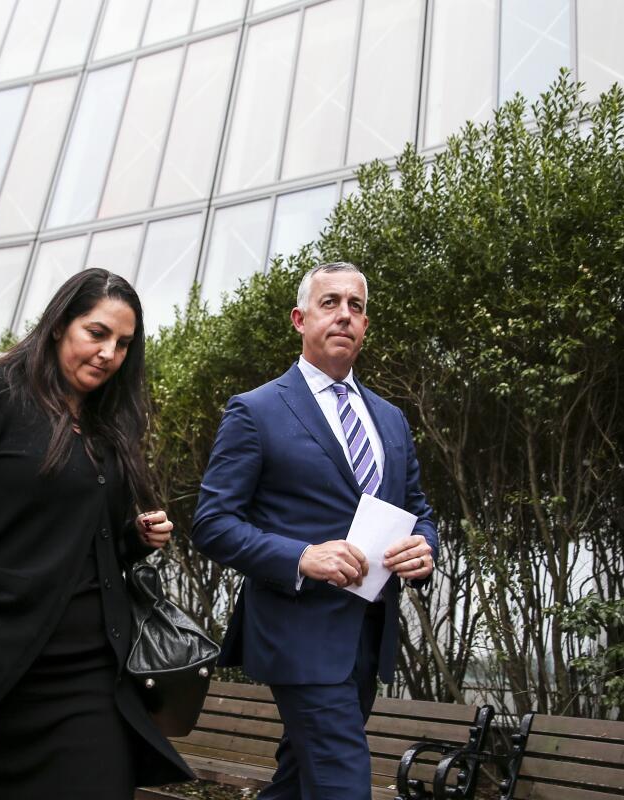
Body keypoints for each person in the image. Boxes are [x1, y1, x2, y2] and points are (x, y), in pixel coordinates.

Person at [0, 268, 193, 799]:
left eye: (124, 343)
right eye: (97, 332)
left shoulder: (108, 422)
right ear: (61, 324)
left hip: (88, 674)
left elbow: (76, 536)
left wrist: (133, 538)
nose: (110, 353)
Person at [192, 261, 438, 799]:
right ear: (300, 319)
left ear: (366, 327)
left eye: (356, 306)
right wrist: (302, 557)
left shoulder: (391, 419)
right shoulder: (255, 411)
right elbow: (211, 523)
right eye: (330, 303)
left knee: (298, 781)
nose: (344, 315)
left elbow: (418, 509)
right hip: (297, 637)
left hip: (367, 640)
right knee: (343, 784)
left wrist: (427, 548)